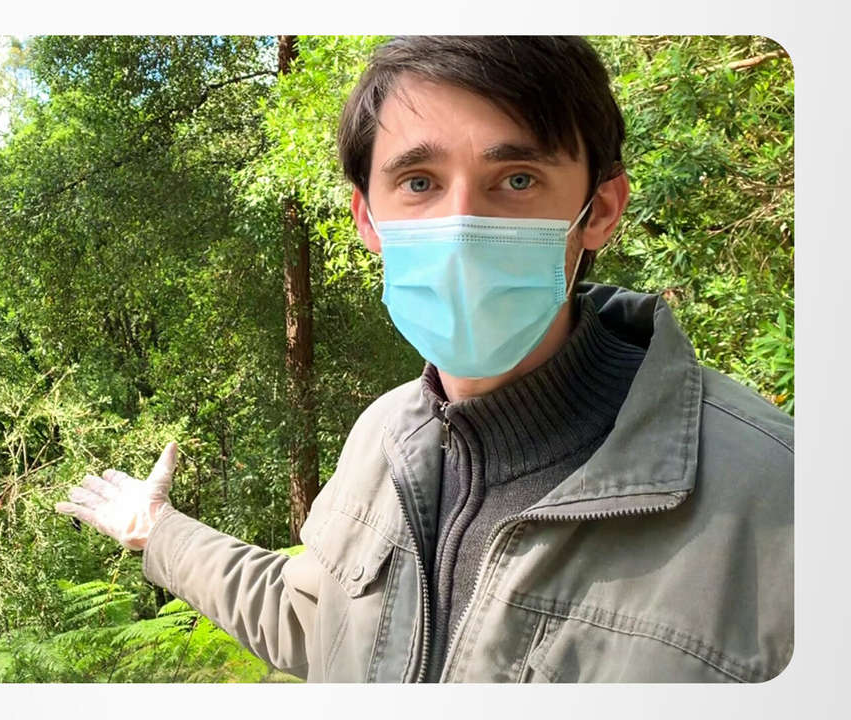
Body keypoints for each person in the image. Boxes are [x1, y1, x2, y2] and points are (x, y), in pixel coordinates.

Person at [54, 36, 793, 683]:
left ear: (599, 209)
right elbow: (312, 621)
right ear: (367, 219)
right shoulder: (382, 436)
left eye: (517, 179)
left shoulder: (787, 505)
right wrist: (156, 529)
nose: (461, 225)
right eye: (419, 183)